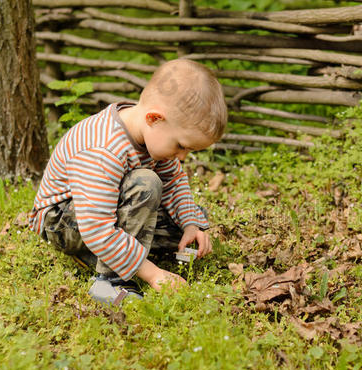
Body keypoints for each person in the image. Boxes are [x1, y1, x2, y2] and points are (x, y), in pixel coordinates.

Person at [29, 59, 228, 304]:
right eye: (181, 146)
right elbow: (96, 227)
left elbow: (174, 182)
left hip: (105, 210)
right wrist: (153, 274)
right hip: (64, 221)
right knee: (146, 184)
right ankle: (110, 280)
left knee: (188, 222)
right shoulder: (104, 150)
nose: (182, 157)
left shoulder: (151, 135)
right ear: (155, 118)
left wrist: (190, 225)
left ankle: (117, 254)